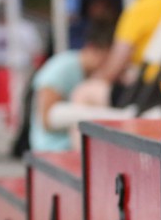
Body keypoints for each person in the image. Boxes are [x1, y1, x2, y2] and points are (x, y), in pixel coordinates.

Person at [30, 21, 115, 152]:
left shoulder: (91, 74)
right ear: (93, 48)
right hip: (54, 148)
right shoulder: (62, 68)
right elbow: (46, 119)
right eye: (108, 56)